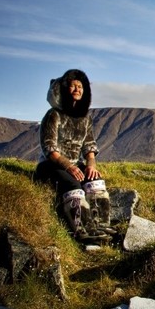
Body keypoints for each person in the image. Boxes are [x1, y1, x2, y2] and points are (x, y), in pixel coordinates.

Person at [34, 69, 115, 243]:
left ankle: (101, 224)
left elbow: (89, 146)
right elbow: (49, 149)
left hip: (74, 164)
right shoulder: (53, 115)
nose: (77, 89)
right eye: (73, 86)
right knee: (73, 185)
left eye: (80, 86)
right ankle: (82, 229)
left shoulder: (85, 118)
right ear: (64, 89)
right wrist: (68, 166)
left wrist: (91, 165)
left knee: (95, 181)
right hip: (51, 165)